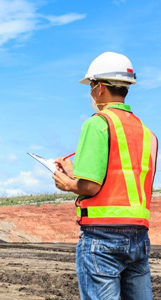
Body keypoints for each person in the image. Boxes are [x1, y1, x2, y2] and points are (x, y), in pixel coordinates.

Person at [52, 52, 158, 300]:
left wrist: (67, 184)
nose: (90, 93)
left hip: (102, 238)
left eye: (90, 86)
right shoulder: (147, 133)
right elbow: (123, 179)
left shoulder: (98, 123)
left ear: (99, 88)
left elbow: (90, 186)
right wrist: (73, 171)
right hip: (139, 237)